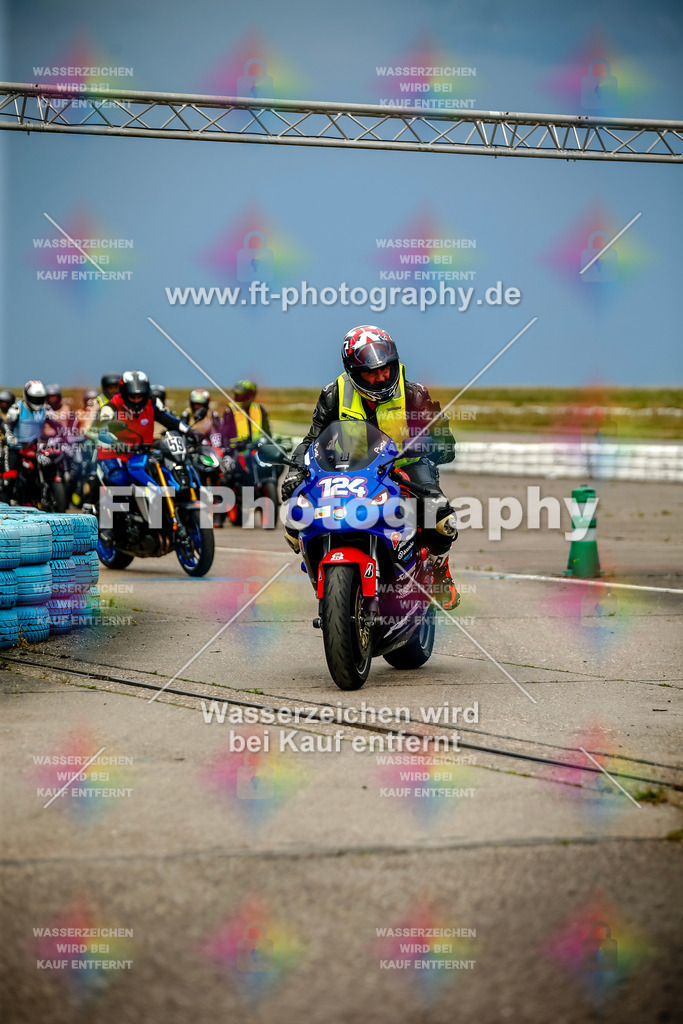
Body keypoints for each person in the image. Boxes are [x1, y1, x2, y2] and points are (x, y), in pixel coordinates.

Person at [281, 326, 459, 608]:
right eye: (371, 372)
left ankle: (438, 569)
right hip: (350, 468)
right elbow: (313, 439)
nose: (382, 376)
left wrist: (439, 438)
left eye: (386, 368)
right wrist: (295, 472)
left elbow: (445, 447)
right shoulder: (333, 394)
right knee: (294, 522)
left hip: (405, 465)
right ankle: (324, 569)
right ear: (353, 371)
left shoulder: (414, 394)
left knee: (441, 517)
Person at [96, 371, 196, 489]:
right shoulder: (111, 407)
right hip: (115, 455)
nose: (136, 400)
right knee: (120, 479)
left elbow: (171, 422)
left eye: (140, 396)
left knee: (166, 474)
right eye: (132, 397)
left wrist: (191, 432)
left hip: (143, 456)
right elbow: (102, 430)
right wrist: (115, 442)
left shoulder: (152, 403)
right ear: (124, 393)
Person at [2, 381, 51, 503]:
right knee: (9, 479)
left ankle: (31, 505)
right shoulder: (16, 408)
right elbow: (8, 426)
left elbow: (56, 426)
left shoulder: (46, 409)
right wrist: (10, 437)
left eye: (40, 398)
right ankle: (3, 508)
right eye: (34, 398)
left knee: (34, 479)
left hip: (33, 449)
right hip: (15, 449)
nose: (37, 401)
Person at [221, 380, 271, 446]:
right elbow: (224, 434)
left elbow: (267, 433)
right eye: (237, 395)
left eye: (241, 395)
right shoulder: (230, 410)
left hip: (257, 449)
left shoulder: (260, 409)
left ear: (250, 395)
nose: (238, 398)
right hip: (236, 451)